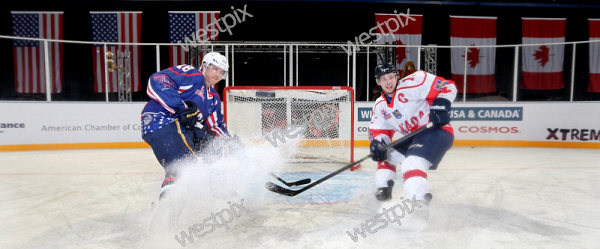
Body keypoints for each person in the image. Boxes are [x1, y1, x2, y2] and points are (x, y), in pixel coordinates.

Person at [140, 51, 235, 200]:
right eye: (214, 69)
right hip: (162, 121)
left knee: (215, 146)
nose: (217, 75)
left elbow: (215, 126)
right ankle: (166, 209)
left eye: (222, 72)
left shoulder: (213, 97)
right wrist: (182, 107)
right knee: (183, 166)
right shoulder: (194, 75)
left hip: (182, 129)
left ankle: (218, 188)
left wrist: (231, 142)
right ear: (204, 66)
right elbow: (158, 79)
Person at [368, 62, 456, 209]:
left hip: (437, 131)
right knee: (387, 153)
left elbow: (447, 86)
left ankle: (419, 204)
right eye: (383, 79)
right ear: (378, 83)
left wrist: (441, 104)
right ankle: (383, 191)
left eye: (390, 77)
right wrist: (378, 143)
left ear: (396, 77)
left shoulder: (414, 82)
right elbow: (379, 131)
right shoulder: (380, 105)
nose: (388, 82)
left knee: (412, 163)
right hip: (415, 137)